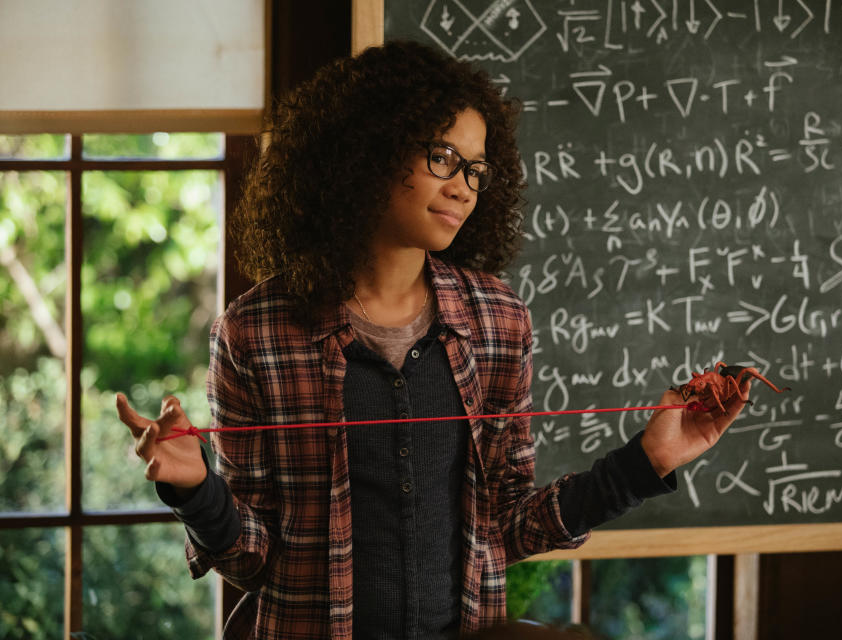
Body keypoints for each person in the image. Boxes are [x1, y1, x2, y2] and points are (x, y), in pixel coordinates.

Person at [116, 40, 750, 639]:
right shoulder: (256, 331)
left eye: (476, 170)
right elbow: (252, 558)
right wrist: (195, 489)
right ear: (369, 148)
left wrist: (649, 461)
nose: (462, 188)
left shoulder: (498, 321)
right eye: (442, 157)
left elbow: (509, 525)